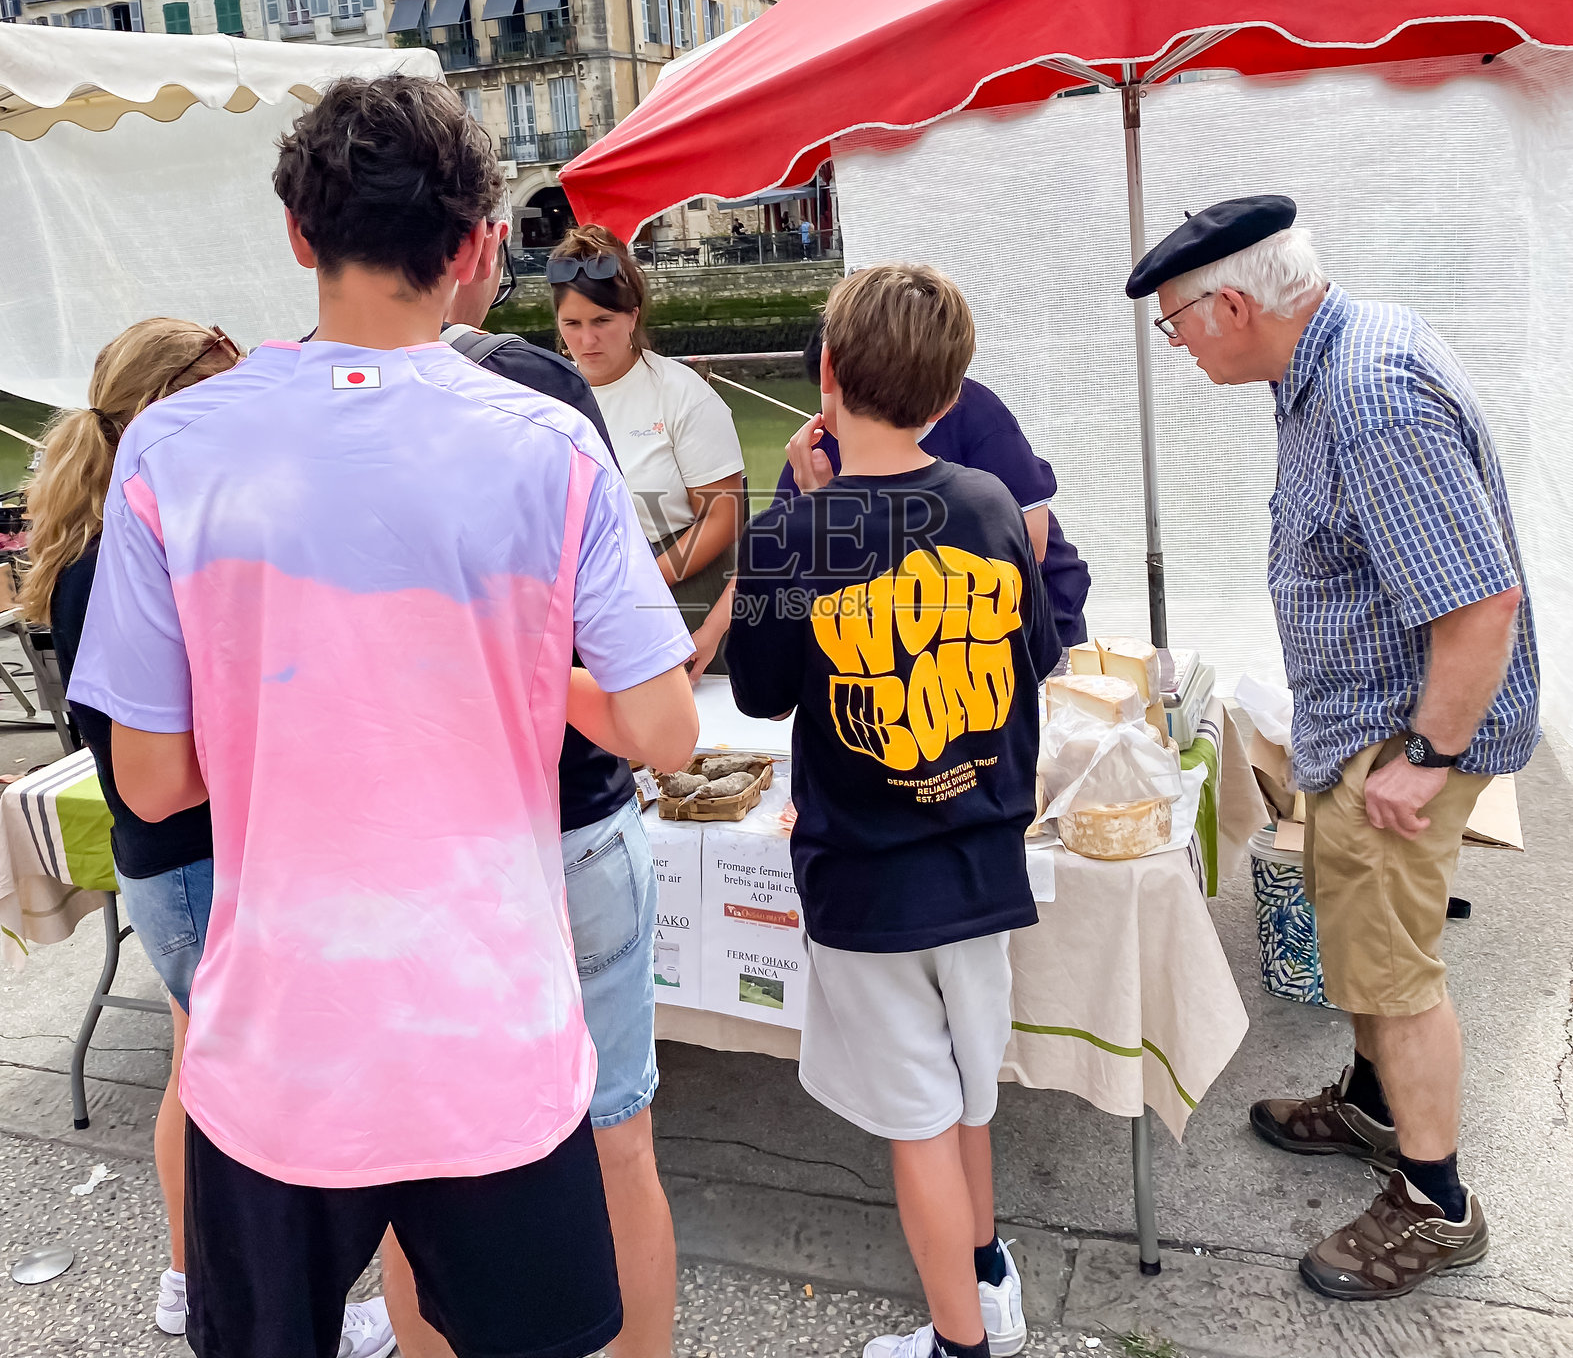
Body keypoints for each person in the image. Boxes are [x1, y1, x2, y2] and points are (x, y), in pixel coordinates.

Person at [68, 74, 699, 1358]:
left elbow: (150, 781)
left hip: (277, 1050)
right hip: (492, 1040)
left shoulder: (172, 447)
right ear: (475, 249)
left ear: (299, 237)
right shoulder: (551, 444)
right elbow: (664, 729)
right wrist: (517, 676)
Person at [1129, 195, 1539, 1301]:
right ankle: (1369, 1103)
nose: (1177, 346)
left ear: (1228, 304)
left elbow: (1480, 605)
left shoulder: (1366, 398)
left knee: (1395, 973)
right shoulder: (1325, 362)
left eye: (1175, 324)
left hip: (1398, 742)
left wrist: (1424, 753)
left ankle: (1435, 1202)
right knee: (1360, 944)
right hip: (1361, 725)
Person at [19, 319, 397, 1358]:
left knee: (205, 1072)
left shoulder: (110, 536)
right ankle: (216, 1289)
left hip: (174, 858)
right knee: (225, 1088)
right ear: (159, 410)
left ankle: (195, 1282)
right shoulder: (119, 559)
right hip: (190, 857)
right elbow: (162, 756)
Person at [726, 264, 1059, 1358]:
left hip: (868, 876)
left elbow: (759, 687)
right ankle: (987, 1275)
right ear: (951, 393)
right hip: (982, 861)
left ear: (823, 374)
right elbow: (1034, 658)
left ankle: (963, 1342)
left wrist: (794, 507)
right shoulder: (991, 503)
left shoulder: (798, 531)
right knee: (967, 1092)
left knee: (917, 1120)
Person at [436, 225, 679, 1358]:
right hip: (571, 821)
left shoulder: (296, 414)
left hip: (444, 838)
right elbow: (659, 717)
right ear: (479, 248)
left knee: (429, 1160)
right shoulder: (532, 395)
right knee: (615, 1134)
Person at [774, 320, 1091, 655]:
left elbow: (1029, 547)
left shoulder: (977, 417)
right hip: (910, 645)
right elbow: (771, 564)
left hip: (1027, 627)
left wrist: (829, 513)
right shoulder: (815, 450)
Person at [548, 224, 745, 671]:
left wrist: (641, 582)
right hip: (582, 602)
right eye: (572, 324)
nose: (587, 340)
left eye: (602, 321)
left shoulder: (681, 394)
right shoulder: (547, 396)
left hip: (679, 588)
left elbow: (724, 514)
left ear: (632, 317)